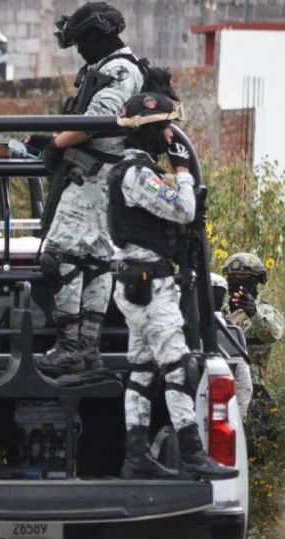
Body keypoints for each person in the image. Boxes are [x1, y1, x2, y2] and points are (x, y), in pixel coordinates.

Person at [106, 92, 237, 482]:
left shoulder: (131, 171)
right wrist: (182, 170)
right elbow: (183, 209)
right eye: (163, 127)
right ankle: (194, 452)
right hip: (150, 284)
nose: (168, 135)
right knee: (179, 365)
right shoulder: (137, 174)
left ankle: (136, 457)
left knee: (143, 370)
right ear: (145, 131)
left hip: (143, 282)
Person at [35, 2, 145, 376]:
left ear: (98, 36)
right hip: (104, 177)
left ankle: (70, 347)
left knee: (59, 255)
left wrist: (57, 144)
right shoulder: (111, 67)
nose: (79, 50)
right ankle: (87, 349)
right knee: (95, 260)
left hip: (94, 176)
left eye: (81, 41)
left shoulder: (117, 70)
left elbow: (98, 120)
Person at [221, 252, 285, 399]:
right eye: (232, 276)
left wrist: (253, 313)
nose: (236, 281)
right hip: (222, 385)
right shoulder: (220, 312)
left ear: (255, 280)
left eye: (243, 277)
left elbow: (273, 334)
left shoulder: (266, 312)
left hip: (254, 389)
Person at [211, 273, 254, 417]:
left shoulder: (182, 329)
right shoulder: (234, 332)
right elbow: (244, 385)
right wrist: (237, 420)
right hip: (224, 414)